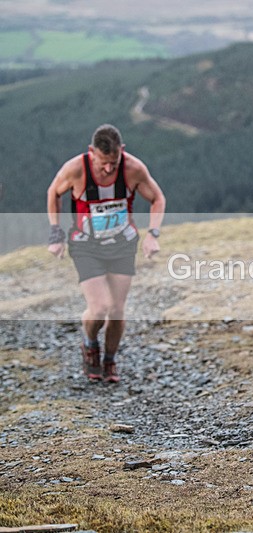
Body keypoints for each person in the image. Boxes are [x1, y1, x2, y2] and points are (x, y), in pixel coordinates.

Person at [46, 124, 166, 384]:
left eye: (114, 162)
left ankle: (110, 360)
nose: (109, 169)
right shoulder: (75, 169)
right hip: (86, 246)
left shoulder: (133, 168)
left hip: (122, 245)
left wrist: (152, 234)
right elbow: (53, 193)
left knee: (117, 311)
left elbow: (157, 198)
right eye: (103, 163)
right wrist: (55, 232)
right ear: (91, 152)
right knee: (99, 307)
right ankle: (90, 344)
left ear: (121, 151)